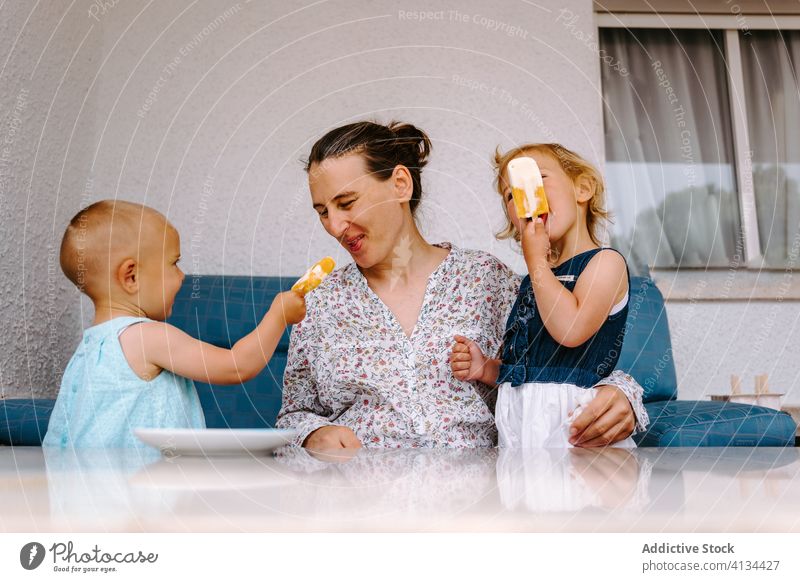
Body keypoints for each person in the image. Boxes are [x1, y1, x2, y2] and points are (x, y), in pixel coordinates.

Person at [276, 121, 646, 450]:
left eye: (346, 202)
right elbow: (293, 416)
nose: (335, 226)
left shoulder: (487, 279)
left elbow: (562, 353)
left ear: (400, 185)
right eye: (323, 211)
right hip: (366, 506)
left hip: (483, 504)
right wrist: (312, 435)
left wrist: (622, 393)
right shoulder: (318, 304)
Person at [43, 200, 305, 448]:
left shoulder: (86, 351)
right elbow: (236, 367)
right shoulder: (147, 337)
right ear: (131, 276)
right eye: (174, 263)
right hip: (142, 491)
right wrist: (278, 315)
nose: (182, 276)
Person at [451, 143, 638, 447]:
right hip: (520, 426)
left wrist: (537, 263)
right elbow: (529, 366)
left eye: (536, 179)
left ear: (583, 189)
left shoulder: (605, 263)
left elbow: (571, 330)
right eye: (511, 195)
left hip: (573, 424)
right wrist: (485, 368)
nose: (522, 195)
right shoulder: (533, 282)